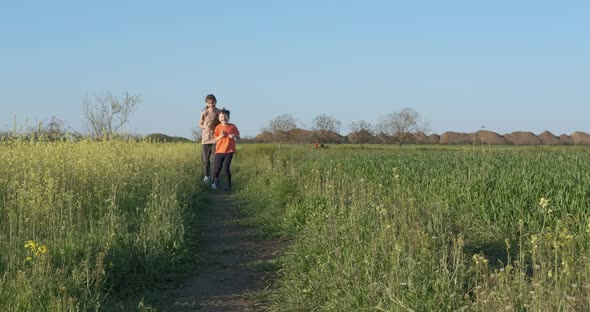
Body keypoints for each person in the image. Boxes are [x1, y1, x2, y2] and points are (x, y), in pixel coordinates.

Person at [211, 108, 240, 191]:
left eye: (225, 116)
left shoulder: (232, 126)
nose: (223, 118)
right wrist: (220, 136)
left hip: (229, 151)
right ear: (219, 118)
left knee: (226, 168)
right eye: (221, 116)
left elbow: (238, 138)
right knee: (217, 169)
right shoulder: (218, 127)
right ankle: (216, 183)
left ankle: (229, 186)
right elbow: (214, 140)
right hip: (219, 151)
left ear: (228, 117)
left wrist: (234, 135)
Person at [199, 94, 220, 184]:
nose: (211, 104)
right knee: (206, 159)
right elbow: (200, 124)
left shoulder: (219, 112)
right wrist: (205, 127)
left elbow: (223, 121)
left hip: (216, 138)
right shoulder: (204, 112)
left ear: (215, 102)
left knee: (214, 160)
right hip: (206, 139)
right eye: (209, 103)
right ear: (207, 103)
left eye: (213, 102)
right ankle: (206, 176)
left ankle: (214, 179)